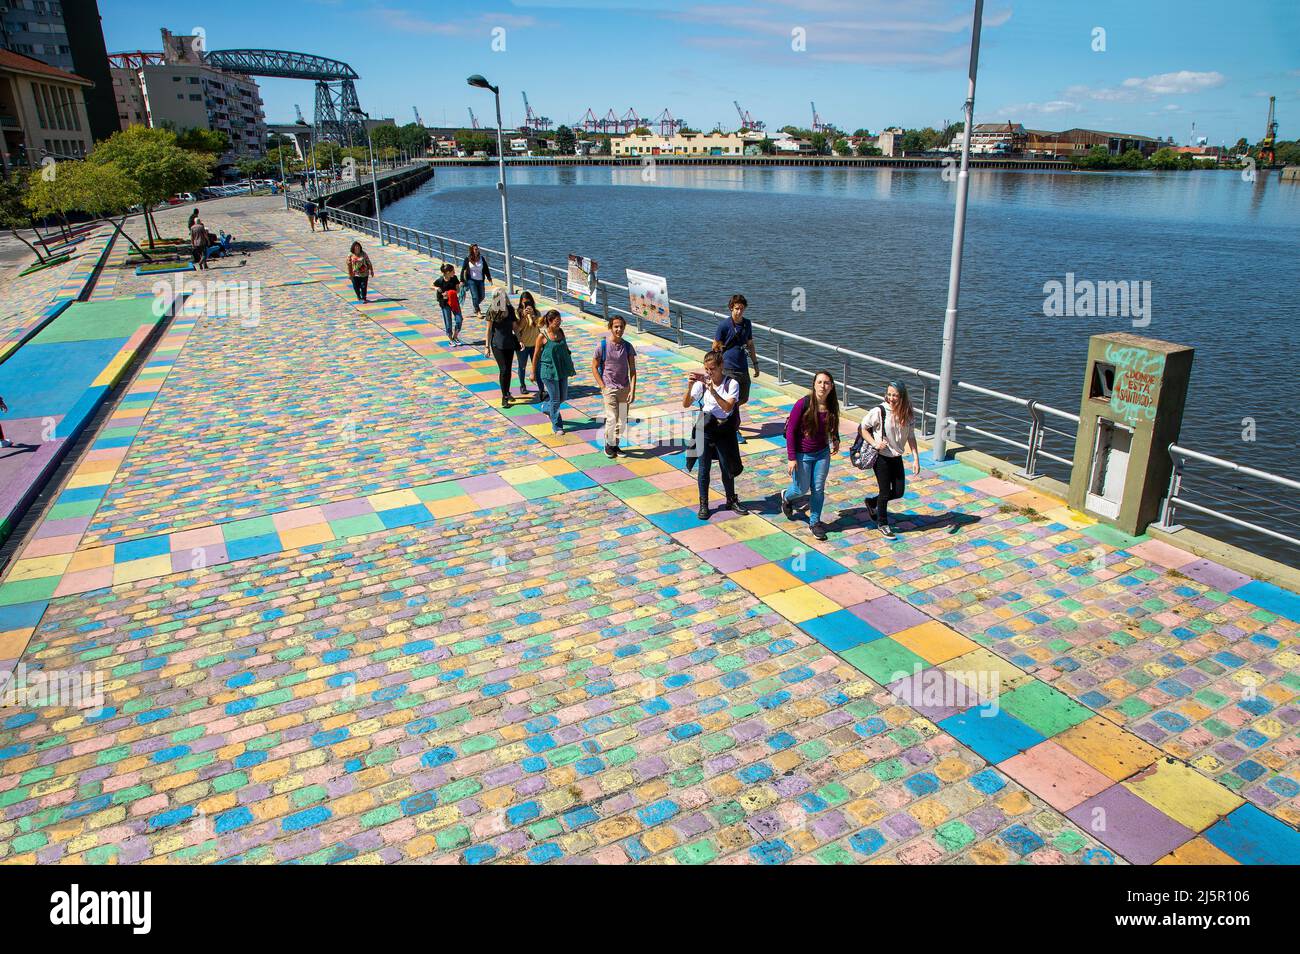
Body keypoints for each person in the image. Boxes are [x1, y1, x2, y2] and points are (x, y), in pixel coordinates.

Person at [684, 351, 748, 520]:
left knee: (727, 466)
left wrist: (713, 392)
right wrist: (690, 387)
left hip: (724, 428)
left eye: (712, 368)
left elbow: (728, 408)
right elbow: (685, 404)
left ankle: (731, 499)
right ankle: (703, 504)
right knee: (704, 467)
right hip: (704, 427)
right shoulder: (702, 384)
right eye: (706, 369)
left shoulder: (731, 383)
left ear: (721, 367)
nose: (709, 372)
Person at [780, 371, 841, 541]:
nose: (823, 386)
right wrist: (792, 458)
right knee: (801, 489)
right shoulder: (803, 403)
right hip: (802, 454)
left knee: (818, 488)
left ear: (832, 386)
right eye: (820, 382)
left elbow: (833, 423)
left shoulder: (832, 404)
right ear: (814, 384)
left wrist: (835, 437)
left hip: (822, 453)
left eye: (827, 383)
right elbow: (791, 431)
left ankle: (815, 522)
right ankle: (786, 496)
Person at [860, 381, 922, 539]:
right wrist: (875, 443)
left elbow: (911, 436)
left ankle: (872, 502)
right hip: (882, 457)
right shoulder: (879, 411)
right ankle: (882, 523)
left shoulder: (907, 413)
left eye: (895, 395)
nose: (891, 398)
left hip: (897, 457)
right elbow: (863, 428)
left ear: (902, 396)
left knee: (899, 491)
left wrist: (916, 458)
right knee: (885, 492)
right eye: (889, 394)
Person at [712, 294, 760, 443]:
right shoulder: (724, 325)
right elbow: (714, 346)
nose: (739, 311)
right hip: (729, 367)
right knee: (733, 399)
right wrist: (716, 367)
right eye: (736, 308)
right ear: (731, 308)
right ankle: (734, 429)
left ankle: (722, 413)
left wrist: (755, 363)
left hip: (743, 366)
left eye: (742, 309)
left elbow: (750, 344)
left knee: (743, 397)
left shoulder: (747, 324)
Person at [592, 316, 637, 458]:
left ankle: (615, 444)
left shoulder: (628, 347)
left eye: (621, 327)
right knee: (612, 418)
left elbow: (633, 370)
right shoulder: (602, 346)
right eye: (616, 326)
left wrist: (632, 390)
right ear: (610, 327)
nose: (619, 329)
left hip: (624, 388)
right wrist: (602, 386)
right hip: (609, 388)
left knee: (622, 420)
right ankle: (609, 444)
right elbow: (594, 366)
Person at [534, 310, 575, 433]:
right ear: (550, 321)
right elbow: (536, 355)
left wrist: (570, 360)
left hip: (562, 369)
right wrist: (532, 372)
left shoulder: (561, 332)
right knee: (556, 399)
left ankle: (546, 407)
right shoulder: (542, 336)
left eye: (560, 321)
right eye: (557, 321)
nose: (559, 324)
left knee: (563, 397)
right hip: (549, 371)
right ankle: (557, 426)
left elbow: (565, 348)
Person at [483, 287, 520, 407]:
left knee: (508, 370)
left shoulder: (510, 309)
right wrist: (487, 346)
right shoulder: (492, 310)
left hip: (509, 343)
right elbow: (488, 330)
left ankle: (507, 392)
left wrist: (520, 340)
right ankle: (504, 396)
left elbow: (515, 327)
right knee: (503, 369)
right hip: (497, 344)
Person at [515, 291, 543, 396]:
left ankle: (541, 388)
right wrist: (524, 317)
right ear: (521, 303)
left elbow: (539, 326)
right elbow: (518, 329)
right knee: (522, 366)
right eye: (525, 303)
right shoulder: (517, 313)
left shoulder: (537, 312)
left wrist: (533, 316)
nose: (527, 305)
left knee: (538, 366)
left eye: (529, 302)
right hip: (523, 344)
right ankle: (522, 385)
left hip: (535, 344)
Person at [434, 263, 464, 345]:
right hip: (444, 303)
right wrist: (438, 289)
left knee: (459, 319)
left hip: (454, 302)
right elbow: (433, 286)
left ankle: (455, 336)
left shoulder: (454, 278)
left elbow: (458, 290)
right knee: (448, 321)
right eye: (452, 271)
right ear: (447, 272)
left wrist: (450, 293)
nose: (454, 272)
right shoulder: (440, 280)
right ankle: (450, 339)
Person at [460, 244, 491, 316]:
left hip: (480, 280)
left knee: (482, 296)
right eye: (475, 249)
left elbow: (486, 268)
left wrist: (489, 277)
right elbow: (463, 270)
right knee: (475, 296)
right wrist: (461, 280)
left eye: (477, 249)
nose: (477, 250)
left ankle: (475, 305)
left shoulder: (481, 258)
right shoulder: (467, 259)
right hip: (471, 280)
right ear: (472, 250)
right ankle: (478, 311)